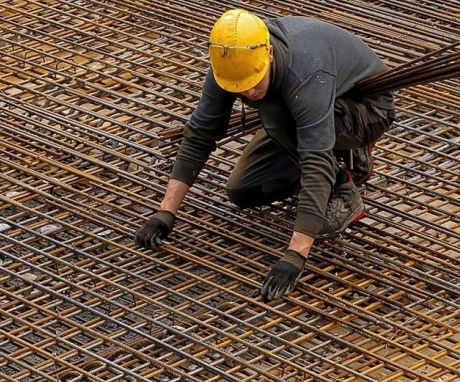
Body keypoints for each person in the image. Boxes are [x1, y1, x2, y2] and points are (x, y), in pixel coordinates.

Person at [134, 9, 395, 301]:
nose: (247, 93)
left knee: (275, 112)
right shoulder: (229, 63)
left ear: (269, 54)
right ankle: (339, 158)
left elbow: (315, 158)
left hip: (365, 109)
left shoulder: (305, 72)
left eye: (253, 83)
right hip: (302, 113)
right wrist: (165, 212)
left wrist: (296, 254)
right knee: (243, 191)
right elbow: (200, 133)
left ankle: (344, 184)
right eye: (239, 89)